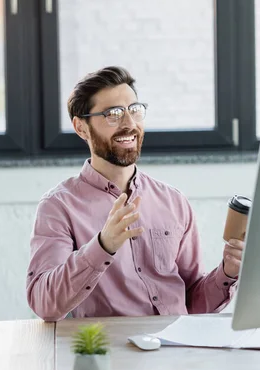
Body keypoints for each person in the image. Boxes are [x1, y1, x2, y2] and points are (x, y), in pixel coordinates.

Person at [27, 66, 244, 321]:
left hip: (176, 352)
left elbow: (192, 304)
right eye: (113, 114)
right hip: (113, 353)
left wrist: (227, 273)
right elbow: (44, 304)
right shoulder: (59, 207)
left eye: (135, 110)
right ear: (81, 127)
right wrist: (103, 246)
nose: (129, 124)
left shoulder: (173, 202)